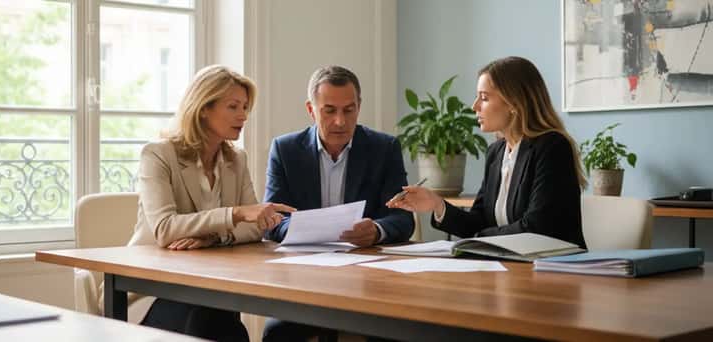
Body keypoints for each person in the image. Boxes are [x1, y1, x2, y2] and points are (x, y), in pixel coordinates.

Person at [105, 65, 295, 341]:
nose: (243, 116)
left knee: (216, 317)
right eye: (233, 106)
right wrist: (235, 214)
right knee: (211, 321)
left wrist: (212, 237)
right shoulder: (158, 155)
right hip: (152, 291)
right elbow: (165, 228)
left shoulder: (236, 159)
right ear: (203, 107)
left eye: (245, 107)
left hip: (210, 291)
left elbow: (256, 228)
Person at [262, 65, 414, 341]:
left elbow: (403, 219)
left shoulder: (385, 148)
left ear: (359, 107)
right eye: (329, 110)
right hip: (304, 279)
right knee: (278, 334)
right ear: (311, 109)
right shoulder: (285, 150)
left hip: (369, 281)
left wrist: (377, 230)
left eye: (349, 110)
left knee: (395, 331)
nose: (340, 121)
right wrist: (306, 230)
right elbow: (272, 219)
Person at [387, 56, 587, 248]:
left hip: (554, 270)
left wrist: (478, 240)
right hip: (510, 267)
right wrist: (437, 204)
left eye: (484, 98)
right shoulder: (496, 152)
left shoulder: (552, 147)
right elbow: (479, 221)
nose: (475, 106)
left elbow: (536, 227)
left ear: (513, 103)